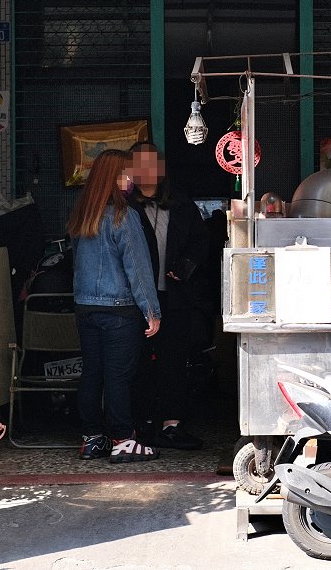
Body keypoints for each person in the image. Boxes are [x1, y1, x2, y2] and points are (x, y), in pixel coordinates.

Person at [67, 149, 162, 463]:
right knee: (118, 377)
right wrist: (151, 310)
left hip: (85, 307)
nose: (132, 179)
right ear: (114, 177)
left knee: (92, 374)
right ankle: (123, 439)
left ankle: (92, 439)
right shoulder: (124, 216)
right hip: (120, 309)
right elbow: (138, 268)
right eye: (127, 174)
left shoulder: (82, 215)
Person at [126, 141, 210, 450]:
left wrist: (186, 264)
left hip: (175, 297)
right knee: (138, 364)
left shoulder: (181, 203)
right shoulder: (126, 207)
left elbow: (202, 243)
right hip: (135, 301)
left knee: (174, 362)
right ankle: (142, 424)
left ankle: (172, 424)